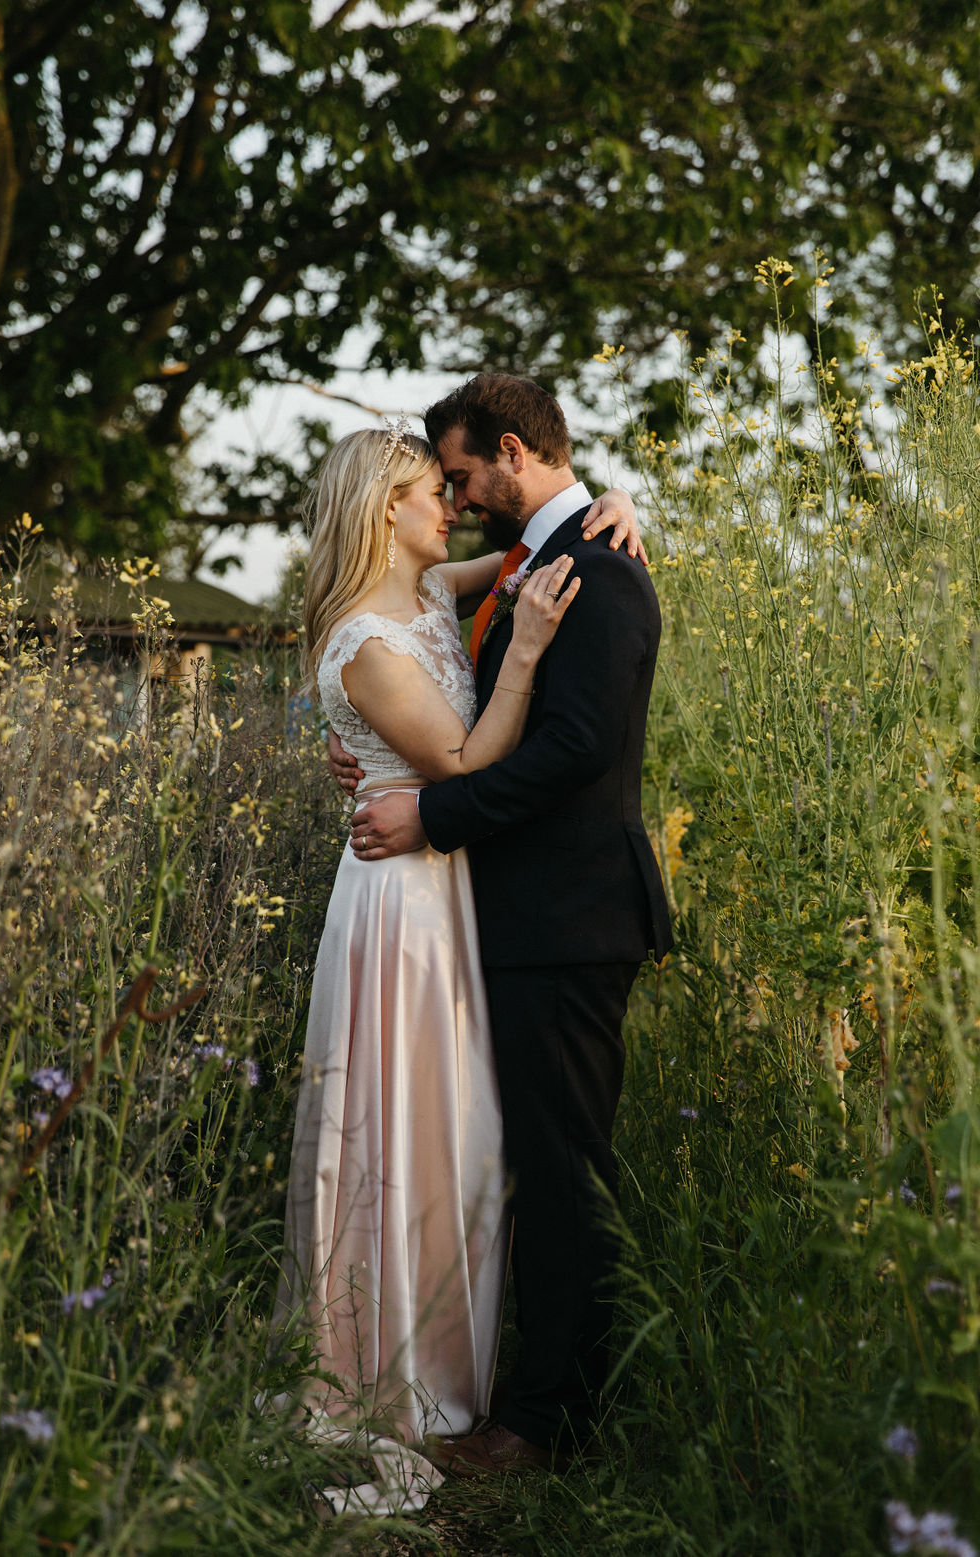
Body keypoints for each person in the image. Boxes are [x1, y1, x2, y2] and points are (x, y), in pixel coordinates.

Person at [270, 418, 641, 1514]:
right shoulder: (370, 639)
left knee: (461, 1136)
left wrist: (625, 502)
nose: (459, 506)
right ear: (388, 509)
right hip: (402, 905)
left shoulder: (433, 592)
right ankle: (398, 1376)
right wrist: (521, 651)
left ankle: (468, 1372)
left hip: (455, 891)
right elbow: (467, 761)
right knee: (405, 1126)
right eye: (438, 490)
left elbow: (540, 549)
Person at [345, 375, 674, 1478]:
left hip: (570, 921)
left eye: (467, 472)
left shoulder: (596, 568)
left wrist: (431, 814)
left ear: (518, 452)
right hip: (515, 921)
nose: (459, 493)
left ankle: (545, 1426)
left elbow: (572, 750)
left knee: (564, 1174)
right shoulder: (546, 559)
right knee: (529, 1165)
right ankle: (518, 1396)